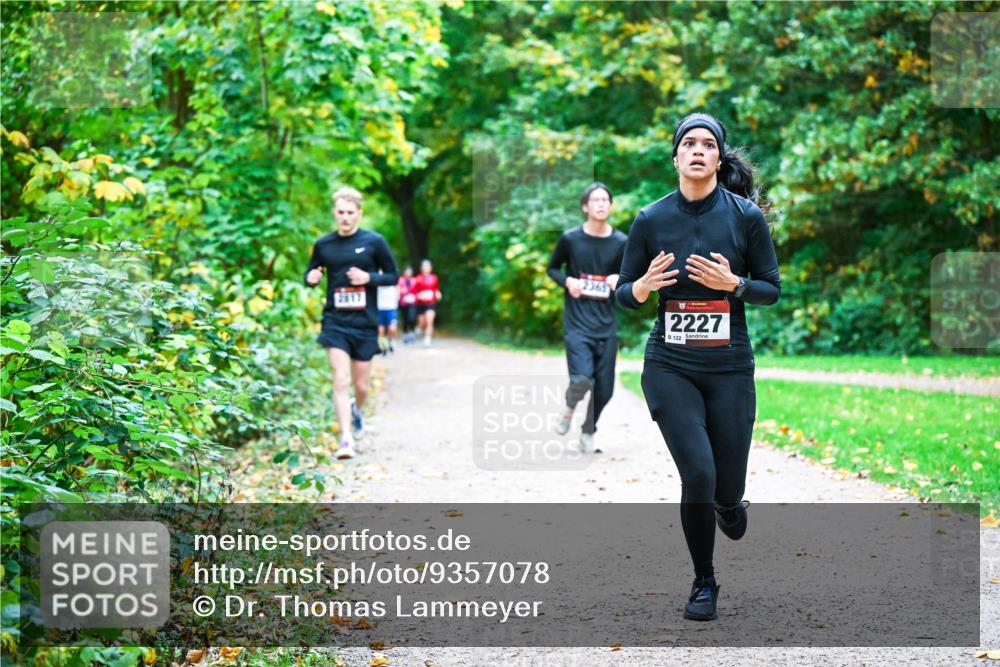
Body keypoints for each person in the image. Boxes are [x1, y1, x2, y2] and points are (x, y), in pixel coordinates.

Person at [614, 113, 780, 621]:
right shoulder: (650, 219)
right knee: (699, 474)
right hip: (670, 363)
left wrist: (734, 285)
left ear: (718, 157)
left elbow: (771, 289)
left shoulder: (745, 218)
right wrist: (642, 288)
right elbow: (624, 293)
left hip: (730, 367)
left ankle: (731, 505)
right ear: (676, 157)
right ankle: (704, 582)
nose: (699, 150)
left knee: (726, 487)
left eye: (709, 144)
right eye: (690, 143)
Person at [305, 187, 399, 460]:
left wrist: (368, 278)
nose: (345, 217)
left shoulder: (374, 242)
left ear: (359, 213)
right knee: (340, 378)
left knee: (361, 386)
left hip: (365, 323)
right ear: (335, 213)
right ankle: (346, 439)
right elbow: (312, 271)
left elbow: (392, 275)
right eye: (341, 212)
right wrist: (310, 277)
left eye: (350, 212)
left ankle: (357, 411)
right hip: (335, 321)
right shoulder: (324, 244)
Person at [546, 182, 627, 454]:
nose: (601, 204)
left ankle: (588, 431)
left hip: (606, 324)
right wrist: (568, 281)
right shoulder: (570, 239)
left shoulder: (622, 242)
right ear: (585, 206)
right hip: (578, 324)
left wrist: (620, 280)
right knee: (582, 380)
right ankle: (570, 407)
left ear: (611, 206)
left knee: (605, 390)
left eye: (606, 199)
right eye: (595, 200)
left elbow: (629, 278)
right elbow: (552, 268)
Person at [413, 259, 442, 347]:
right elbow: (413, 292)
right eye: (424, 266)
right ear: (421, 268)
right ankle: (419, 328)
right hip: (420, 304)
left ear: (431, 268)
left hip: (431, 303)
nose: (426, 268)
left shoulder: (434, 278)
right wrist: (419, 295)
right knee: (422, 322)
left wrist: (437, 293)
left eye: (428, 266)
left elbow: (436, 289)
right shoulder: (418, 278)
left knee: (430, 321)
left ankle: (427, 339)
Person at [377, 283, 399, 355]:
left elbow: (398, 290)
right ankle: (384, 347)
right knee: (381, 330)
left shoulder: (392, 278)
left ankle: (390, 341)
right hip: (380, 308)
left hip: (391, 307)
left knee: (392, 328)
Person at [398, 265, 418, 344]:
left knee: (412, 318)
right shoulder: (401, 280)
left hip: (412, 302)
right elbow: (398, 290)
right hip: (404, 303)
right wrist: (403, 291)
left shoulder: (414, 280)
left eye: (410, 271)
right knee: (405, 319)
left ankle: (412, 333)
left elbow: (417, 290)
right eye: (407, 271)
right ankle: (406, 334)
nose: (408, 273)